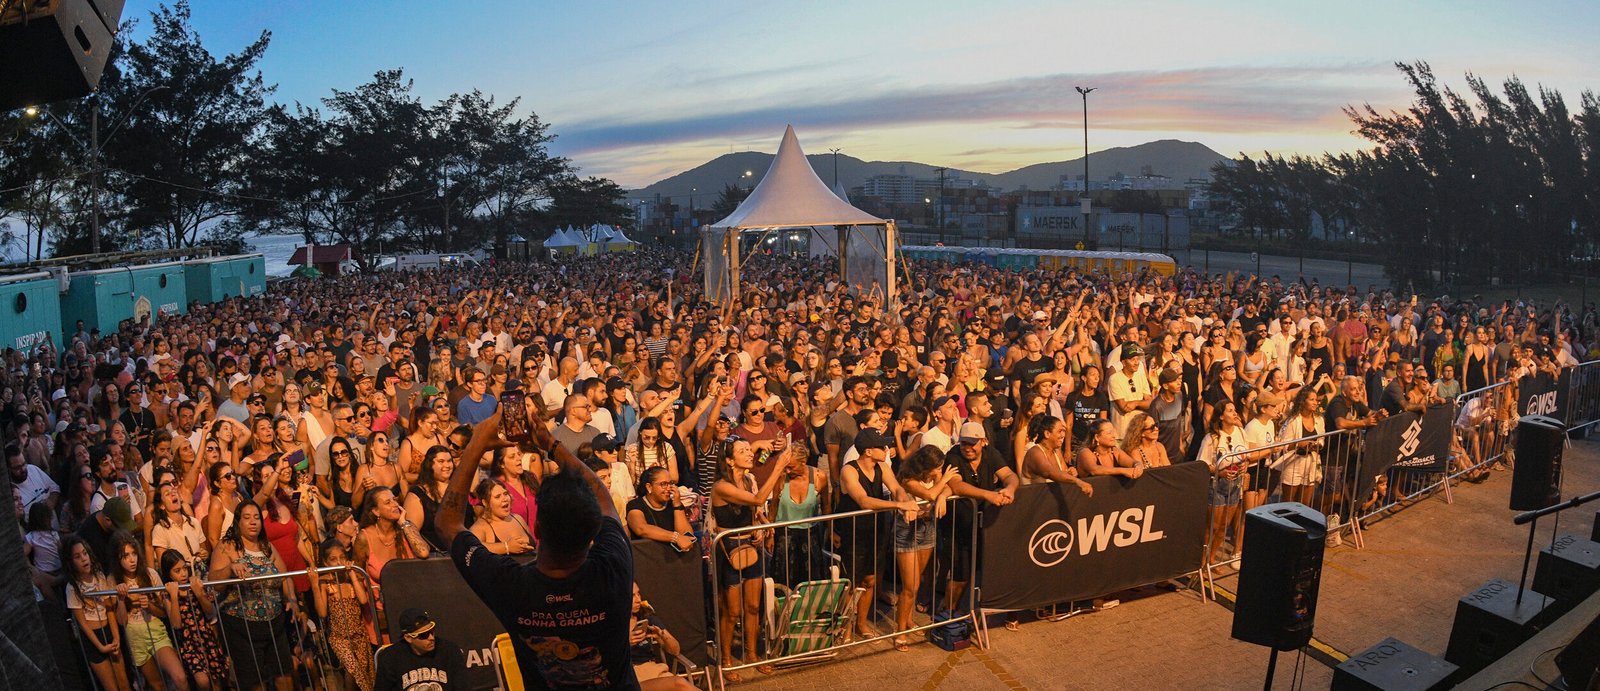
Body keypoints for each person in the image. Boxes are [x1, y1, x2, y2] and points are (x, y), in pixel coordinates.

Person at [437, 402, 678, 690]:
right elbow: (602, 496)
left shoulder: (510, 584)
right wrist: (550, 444)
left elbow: (447, 524)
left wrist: (475, 444)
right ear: (592, 533)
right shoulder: (613, 565)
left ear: (537, 528)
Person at [710, 436, 791, 679]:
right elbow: (756, 500)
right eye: (743, 450)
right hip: (729, 550)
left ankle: (752, 655)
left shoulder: (748, 479)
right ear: (729, 460)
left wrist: (760, 525)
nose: (749, 453)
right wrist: (777, 467)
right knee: (732, 611)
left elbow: (756, 509)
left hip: (751, 547)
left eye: (749, 449)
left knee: (753, 606)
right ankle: (726, 661)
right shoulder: (721, 486)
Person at [834, 430, 919, 643]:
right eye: (882, 447)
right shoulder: (849, 470)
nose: (886, 450)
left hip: (876, 530)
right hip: (853, 532)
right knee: (851, 583)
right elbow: (864, 501)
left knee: (871, 580)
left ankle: (861, 623)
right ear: (868, 451)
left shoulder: (882, 467)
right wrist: (899, 504)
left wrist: (904, 501)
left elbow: (896, 488)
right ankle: (844, 627)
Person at [208, 500, 300, 691]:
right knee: (255, 683)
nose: (253, 522)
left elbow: (285, 578)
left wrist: (292, 599)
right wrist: (229, 569)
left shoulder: (267, 546)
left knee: (285, 677)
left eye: (257, 517)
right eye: (247, 518)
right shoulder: (227, 546)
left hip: (274, 625)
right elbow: (214, 581)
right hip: (243, 629)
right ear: (238, 522)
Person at [891, 446, 958, 652]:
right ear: (925, 466)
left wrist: (943, 490)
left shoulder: (933, 476)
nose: (939, 471)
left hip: (927, 527)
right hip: (907, 530)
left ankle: (909, 620)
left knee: (918, 581)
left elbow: (945, 491)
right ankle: (900, 632)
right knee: (909, 586)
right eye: (936, 468)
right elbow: (930, 495)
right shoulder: (908, 479)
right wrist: (944, 480)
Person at [111, 531, 189, 691]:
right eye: (125, 556)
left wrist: (150, 606)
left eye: (134, 553)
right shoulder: (113, 579)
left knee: (180, 678)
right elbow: (121, 621)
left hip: (155, 631)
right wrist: (120, 600)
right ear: (117, 559)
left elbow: (164, 612)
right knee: (157, 685)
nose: (132, 559)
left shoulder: (150, 574)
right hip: (134, 635)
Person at [65, 534, 134, 691]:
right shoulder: (72, 587)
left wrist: (116, 637)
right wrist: (100, 647)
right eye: (77, 556)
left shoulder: (100, 577)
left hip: (108, 631)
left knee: (124, 682)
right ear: (71, 562)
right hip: (93, 638)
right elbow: (82, 622)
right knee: (111, 687)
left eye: (84, 553)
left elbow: (109, 609)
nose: (83, 559)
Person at [309, 540, 375, 691]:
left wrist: (352, 574)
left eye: (342, 557)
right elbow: (322, 612)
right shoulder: (325, 582)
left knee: (365, 674)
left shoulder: (352, 578)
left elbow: (364, 599)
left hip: (359, 636)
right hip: (340, 638)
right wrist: (314, 586)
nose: (339, 562)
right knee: (352, 671)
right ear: (325, 563)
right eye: (333, 559)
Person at [159, 549, 227, 691]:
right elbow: (176, 624)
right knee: (202, 681)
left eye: (184, 568)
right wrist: (174, 597)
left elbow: (209, 610)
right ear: (168, 574)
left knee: (216, 681)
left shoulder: (194, 584)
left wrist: (199, 594)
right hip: (189, 643)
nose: (183, 573)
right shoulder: (167, 594)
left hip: (206, 636)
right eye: (177, 571)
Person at [374, 609, 468, 691]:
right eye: (424, 635)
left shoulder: (450, 651)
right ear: (408, 638)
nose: (431, 638)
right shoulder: (390, 658)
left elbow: (462, 687)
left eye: (432, 631)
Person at [625, 467, 694, 552]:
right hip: (646, 559)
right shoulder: (635, 505)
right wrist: (675, 537)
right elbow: (641, 529)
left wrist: (677, 505)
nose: (669, 488)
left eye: (670, 483)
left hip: (673, 559)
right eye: (663, 484)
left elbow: (687, 537)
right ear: (649, 487)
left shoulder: (674, 505)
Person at [470, 478, 535, 555]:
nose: (504, 499)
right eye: (497, 497)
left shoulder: (518, 518)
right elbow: (472, 549)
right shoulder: (480, 528)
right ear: (485, 502)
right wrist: (506, 547)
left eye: (505, 493)